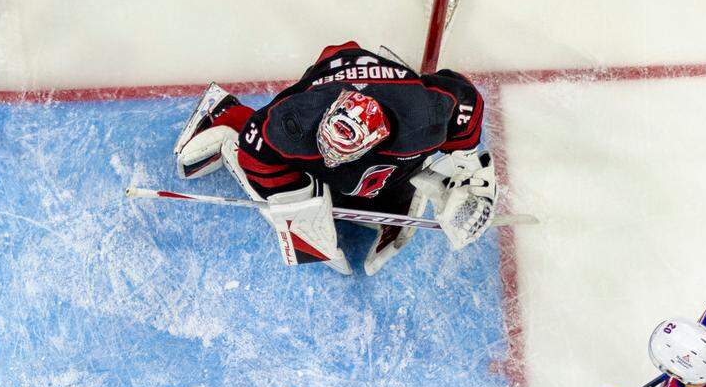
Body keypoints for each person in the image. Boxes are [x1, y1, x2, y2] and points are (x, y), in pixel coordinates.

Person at [173, 41, 498, 275]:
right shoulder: (293, 120)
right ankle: (225, 113)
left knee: (371, 176)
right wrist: (297, 207)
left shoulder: (425, 114)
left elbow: (465, 97)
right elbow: (254, 153)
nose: (330, 160)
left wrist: (468, 171)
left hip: (393, 89)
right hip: (334, 70)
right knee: (288, 170)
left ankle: (388, 195)